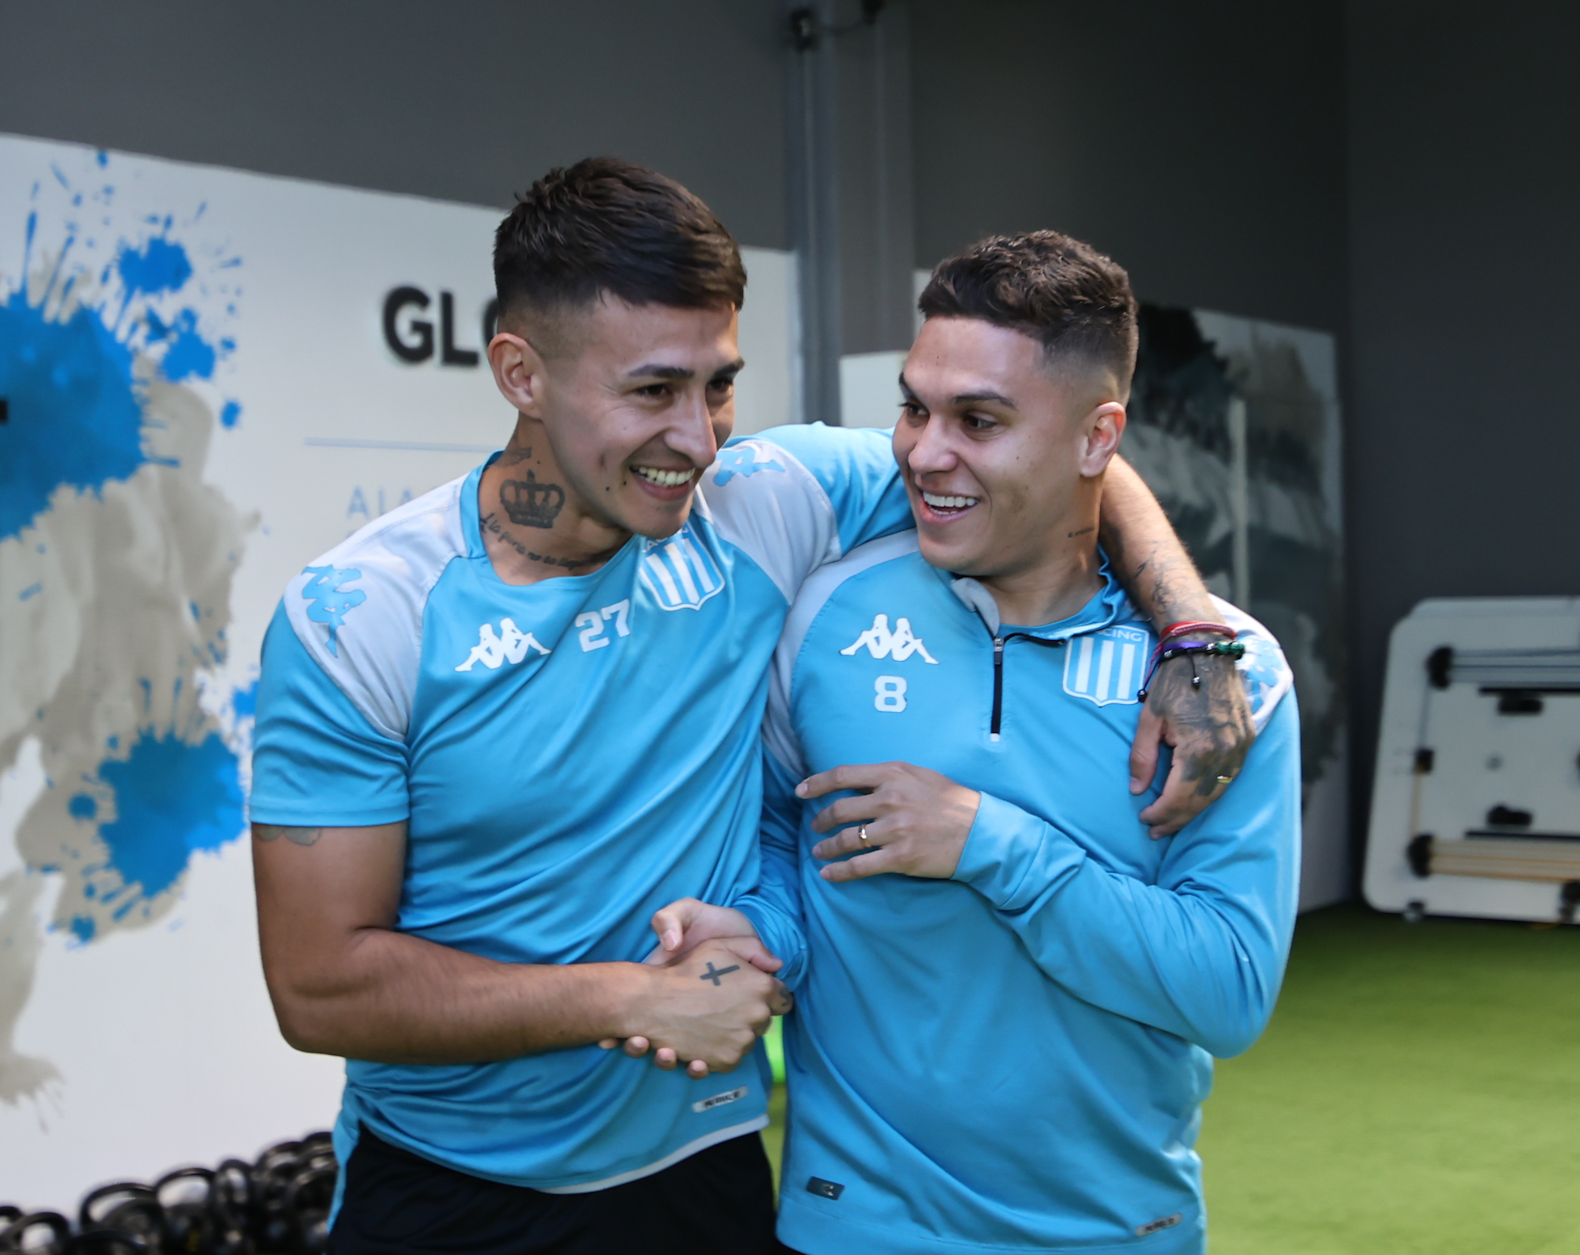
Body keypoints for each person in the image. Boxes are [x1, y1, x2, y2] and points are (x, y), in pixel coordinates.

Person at [248, 161, 1249, 1255]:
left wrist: (1191, 632)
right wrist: (623, 999)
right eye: (652, 392)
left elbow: (1052, 464)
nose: (699, 437)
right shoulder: (361, 619)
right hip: (450, 1192)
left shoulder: (765, 508)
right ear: (520, 372)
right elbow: (321, 987)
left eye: (718, 385)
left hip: (706, 1176)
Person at [650, 231, 1301, 1254]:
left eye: (979, 420)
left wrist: (990, 844)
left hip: (1113, 1230)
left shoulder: (1223, 681)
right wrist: (754, 932)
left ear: (1099, 439)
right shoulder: (825, 611)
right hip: (847, 1224)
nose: (923, 450)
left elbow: (1225, 990)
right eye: (915, 406)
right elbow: (784, 843)